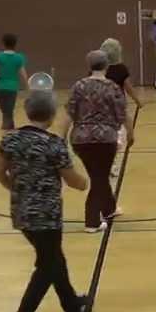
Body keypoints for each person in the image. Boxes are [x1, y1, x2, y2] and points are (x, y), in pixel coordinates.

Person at [0, 90, 89, 312]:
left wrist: (18, 191)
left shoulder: (10, 140)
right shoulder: (53, 143)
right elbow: (74, 181)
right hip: (47, 216)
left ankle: (71, 304)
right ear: (52, 114)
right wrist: (86, 182)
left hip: (21, 213)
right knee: (47, 265)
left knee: (54, 258)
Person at [59, 50, 135, 233]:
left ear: (89, 65)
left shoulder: (78, 86)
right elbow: (123, 114)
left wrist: (61, 136)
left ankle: (109, 208)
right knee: (99, 177)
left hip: (80, 139)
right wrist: (131, 134)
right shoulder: (112, 87)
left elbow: (69, 113)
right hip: (106, 138)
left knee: (98, 174)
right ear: (107, 65)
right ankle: (91, 221)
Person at [100, 38, 143, 178]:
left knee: (104, 136)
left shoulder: (98, 69)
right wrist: (138, 101)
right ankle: (111, 163)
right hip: (117, 108)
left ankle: (106, 163)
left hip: (101, 107)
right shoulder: (121, 69)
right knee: (116, 137)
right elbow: (128, 87)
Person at [0, 33, 28, 131]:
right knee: (7, 114)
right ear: (15, 44)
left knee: (7, 113)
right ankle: (5, 135)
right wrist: (27, 87)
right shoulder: (19, 58)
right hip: (11, 89)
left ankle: (10, 134)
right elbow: (23, 75)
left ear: (3, 44)